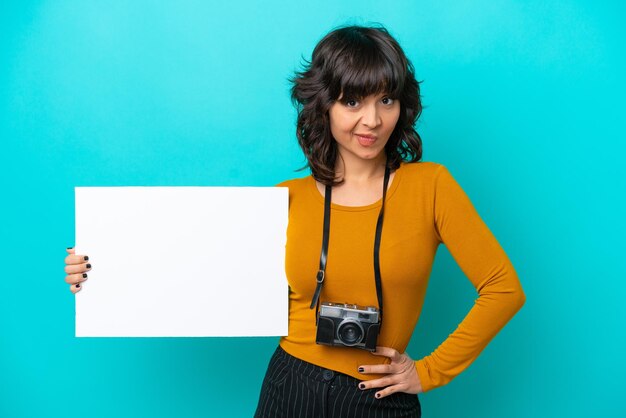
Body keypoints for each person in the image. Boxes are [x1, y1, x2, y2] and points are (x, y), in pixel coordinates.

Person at [64, 23, 526, 418]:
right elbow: (196, 273)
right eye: (353, 101)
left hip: (378, 397)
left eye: (386, 101)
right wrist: (101, 270)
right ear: (324, 105)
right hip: (290, 384)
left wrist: (428, 371)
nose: (372, 120)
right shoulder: (286, 199)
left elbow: (504, 287)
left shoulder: (431, 186)